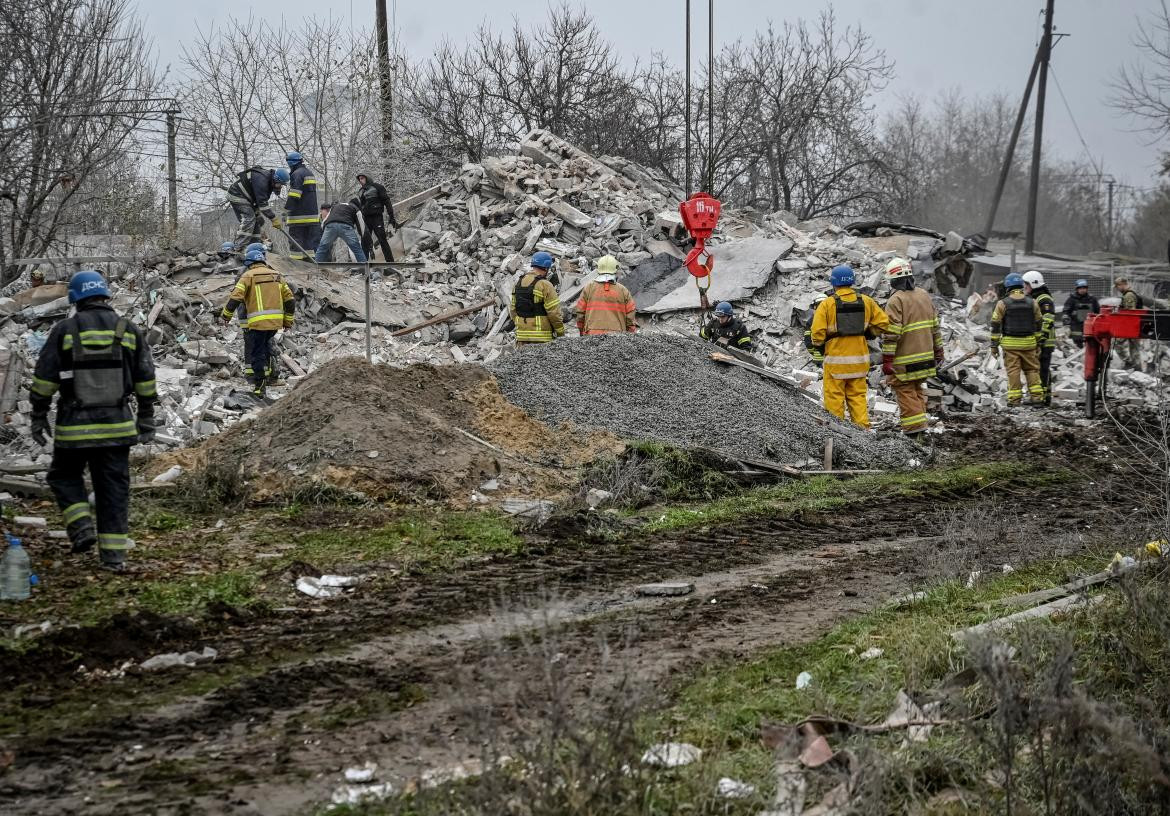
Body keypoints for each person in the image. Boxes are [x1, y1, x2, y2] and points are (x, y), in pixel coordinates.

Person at [27, 271, 158, 572]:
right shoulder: (128, 330)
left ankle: (81, 526)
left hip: (74, 428)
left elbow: (44, 380)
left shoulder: (65, 330)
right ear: (105, 295)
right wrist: (146, 417)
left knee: (63, 476)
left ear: (75, 298)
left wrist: (37, 415)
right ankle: (113, 558)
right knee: (113, 489)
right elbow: (145, 379)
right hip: (118, 428)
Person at [810, 264, 889, 429]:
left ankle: (836, 435)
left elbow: (817, 335)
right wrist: (868, 333)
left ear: (834, 283)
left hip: (835, 365)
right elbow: (883, 324)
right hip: (859, 363)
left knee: (834, 401)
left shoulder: (827, 304)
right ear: (852, 282)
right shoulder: (866, 301)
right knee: (858, 399)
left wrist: (822, 344)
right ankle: (863, 436)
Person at [218, 243, 295, 397]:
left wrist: (226, 315)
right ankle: (269, 376)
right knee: (265, 347)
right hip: (274, 324)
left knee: (256, 352)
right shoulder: (277, 275)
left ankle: (260, 386)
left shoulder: (247, 276)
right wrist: (288, 321)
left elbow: (235, 298)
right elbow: (290, 300)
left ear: (249, 263)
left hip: (257, 323)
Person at [881, 258, 943, 440]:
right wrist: (939, 351)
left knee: (905, 390)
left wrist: (887, 360)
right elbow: (935, 327)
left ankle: (915, 432)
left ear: (892, 279)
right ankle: (921, 426)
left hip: (905, 360)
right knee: (917, 389)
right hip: (926, 358)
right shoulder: (924, 294)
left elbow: (891, 334)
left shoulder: (896, 300)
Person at [990, 273, 1044, 407]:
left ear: (1007, 286)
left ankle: (1015, 400)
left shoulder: (1002, 303)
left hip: (1011, 345)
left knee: (1013, 371)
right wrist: (1038, 342)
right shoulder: (1033, 302)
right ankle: (1037, 398)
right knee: (1032, 370)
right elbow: (1038, 323)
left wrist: (994, 346)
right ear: (1021, 285)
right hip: (1029, 344)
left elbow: (995, 325)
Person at [226, 165, 288, 251]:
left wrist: (258, 214)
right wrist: (273, 218)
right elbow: (263, 204)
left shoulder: (269, 181)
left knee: (258, 221)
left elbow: (260, 201)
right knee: (249, 218)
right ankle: (239, 247)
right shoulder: (262, 181)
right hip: (237, 195)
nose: (280, 187)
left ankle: (254, 246)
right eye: (281, 184)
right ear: (276, 179)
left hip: (248, 199)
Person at [510, 251, 564, 346]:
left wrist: (522, 326)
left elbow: (513, 310)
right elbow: (554, 313)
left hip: (521, 337)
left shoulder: (518, 283)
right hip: (541, 338)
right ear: (546, 267)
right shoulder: (545, 284)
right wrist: (560, 333)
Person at [575, 255, 636, 335]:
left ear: (598, 269)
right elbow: (630, 319)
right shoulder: (623, 291)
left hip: (591, 336)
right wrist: (629, 336)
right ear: (615, 270)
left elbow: (580, 314)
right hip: (617, 337)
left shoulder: (589, 288)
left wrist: (582, 332)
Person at [1022, 270, 1057, 405]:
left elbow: (1048, 319)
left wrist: (1040, 338)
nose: (1024, 288)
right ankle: (1044, 397)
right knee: (1041, 369)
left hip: (1044, 342)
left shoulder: (1044, 299)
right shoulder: (1037, 298)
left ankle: (1039, 398)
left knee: (1040, 370)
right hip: (1041, 340)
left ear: (1033, 284)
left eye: (1026, 285)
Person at [282, 152, 320, 261]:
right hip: (311, 217)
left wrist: (286, 210)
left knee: (296, 242)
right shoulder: (309, 173)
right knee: (308, 245)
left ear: (291, 163)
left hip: (298, 217)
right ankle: (309, 266)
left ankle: (296, 265)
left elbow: (294, 195)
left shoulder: (297, 174)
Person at [355, 172, 400, 262]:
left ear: (367, 178)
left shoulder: (378, 187)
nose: (361, 180)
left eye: (362, 178)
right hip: (366, 219)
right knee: (364, 241)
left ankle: (390, 263)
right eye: (359, 179)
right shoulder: (360, 191)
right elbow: (360, 207)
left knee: (382, 239)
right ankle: (363, 264)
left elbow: (387, 201)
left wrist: (391, 217)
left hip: (377, 218)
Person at [1061, 279, 1100, 349]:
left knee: (1091, 345)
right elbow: (1066, 312)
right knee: (1076, 346)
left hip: (1090, 327)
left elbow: (1098, 312)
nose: (1082, 290)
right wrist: (1066, 325)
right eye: (1080, 288)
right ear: (1077, 289)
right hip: (1076, 327)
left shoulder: (1092, 299)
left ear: (1087, 288)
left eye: (1084, 288)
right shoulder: (1071, 299)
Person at [1115, 278, 1143, 370]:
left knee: (1117, 344)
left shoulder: (1129, 295)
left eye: (1118, 286)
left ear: (1122, 284)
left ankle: (1129, 363)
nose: (1117, 289)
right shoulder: (1129, 294)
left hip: (1130, 326)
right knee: (1134, 349)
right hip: (1135, 326)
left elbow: (1130, 313)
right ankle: (1137, 369)